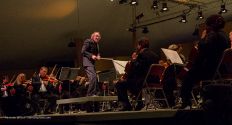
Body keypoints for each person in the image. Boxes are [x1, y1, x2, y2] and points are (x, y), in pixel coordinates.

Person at [178, 14, 230, 109]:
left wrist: (202, 38)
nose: (206, 27)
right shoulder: (225, 36)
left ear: (211, 25)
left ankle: (185, 102)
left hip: (210, 70)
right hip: (220, 70)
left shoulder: (213, 34)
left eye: (207, 25)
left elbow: (203, 49)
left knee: (188, 76)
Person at [115, 37, 160, 111]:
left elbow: (136, 70)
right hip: (154, 80)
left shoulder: (141, 55)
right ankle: (139, 104)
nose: (137, 47)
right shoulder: (155, 55)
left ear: (140, 45)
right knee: (134, 82)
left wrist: (133, 60)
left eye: (137, 45)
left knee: (120, 84)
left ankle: (126, 105)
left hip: (144, 81)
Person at [81, 32, 101, 112]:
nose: (98, 37)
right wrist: (91, 56)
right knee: (93, 77)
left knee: (95, 79)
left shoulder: (97, 45)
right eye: (96, 36)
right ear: (92, 36)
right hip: (87, 63)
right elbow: (83, 51)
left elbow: (97, 53)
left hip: (91, 64)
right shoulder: (88, 41)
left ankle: (94, 96)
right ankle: (90, 95)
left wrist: (98, 55)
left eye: (99, 36)